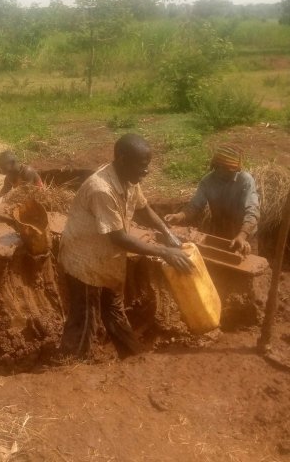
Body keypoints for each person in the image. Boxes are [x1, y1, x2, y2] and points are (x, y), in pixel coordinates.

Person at [59, 133, 193, 359]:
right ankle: (70, 367)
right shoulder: (101, 189)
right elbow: (119, 238)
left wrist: (167, 233)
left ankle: (134, 358)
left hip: (104, 259)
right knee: (84, 320)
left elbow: (143, 209)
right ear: (122, 160)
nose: (146, 171)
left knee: (113, 312)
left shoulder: (129, 178)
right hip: (84, 261)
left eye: (148, 165)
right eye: (142, 166)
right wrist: (164, 252)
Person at [164, 144, 260, 256]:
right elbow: (195, 206)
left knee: (251, 267)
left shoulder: (245, 181)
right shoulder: (207, 182)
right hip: (220, 234)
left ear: (236, 169)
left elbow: (253, 211)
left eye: (230, 170)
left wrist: (242, 235)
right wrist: (179, 216)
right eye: (222, 168)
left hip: (246, 236)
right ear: (215, 165)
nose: (225, 172)